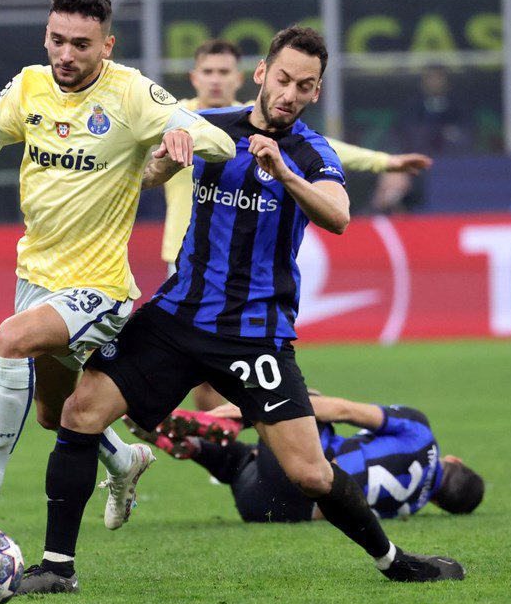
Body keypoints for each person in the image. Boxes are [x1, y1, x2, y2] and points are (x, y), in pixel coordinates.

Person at [16, 25, 465, 595]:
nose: (290, 94)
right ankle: (58, 569)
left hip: (255, 335)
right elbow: (141, 177)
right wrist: (164, 162)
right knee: (80, 413)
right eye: (283, 79)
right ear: (261, 74)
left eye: (304, 86)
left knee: (310, 473)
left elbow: (338, 216)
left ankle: (394, 561)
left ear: (316, 92)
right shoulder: (209, 127)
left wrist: (285, 173)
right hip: (177, 319)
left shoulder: (311, 153)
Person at [0, 0, 235, 527]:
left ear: (107, 45)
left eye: (81, 44)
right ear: (46, 36)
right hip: (36, 277)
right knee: (55, 414)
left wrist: (186, 140)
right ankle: (126, 461)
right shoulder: (28, 87)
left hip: (100, 286)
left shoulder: (131, 94)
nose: (66, 55)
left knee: (10, 337)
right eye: (58, 40)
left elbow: (222, 142)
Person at [162, 39, 434, 412]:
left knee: (218, 376)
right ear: (194, 77)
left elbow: (321, 149)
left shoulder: (258, 125)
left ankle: (262, 424)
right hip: (185, 260)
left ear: (242, 77)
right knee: (204, 380)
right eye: (208, 72)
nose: (215, 80)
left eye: (223, 72)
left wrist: (382, 162)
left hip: (243, 269)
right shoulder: (182, 121)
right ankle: (247, 430)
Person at [128, 398, 484, 522]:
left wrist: (250, 410)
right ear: (439, 503)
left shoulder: (420, 432)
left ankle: (228, 420)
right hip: (271, 509)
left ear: (454, 460)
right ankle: (194, 447)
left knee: (301, 399)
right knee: (245, 464)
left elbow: (344, 410)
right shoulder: (410, 506)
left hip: (297, 467)